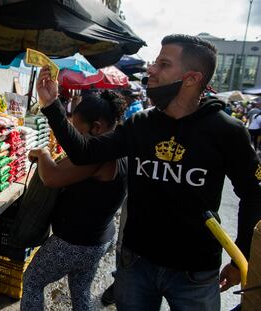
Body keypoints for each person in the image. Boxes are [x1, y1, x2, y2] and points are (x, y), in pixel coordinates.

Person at [36, 34, 261, 311]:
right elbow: (85, 152)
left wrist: (243, 255)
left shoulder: (227, 131)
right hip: (137, 264)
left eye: (163, 64)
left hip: (195, 272)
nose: (151, 70)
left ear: (191, 78)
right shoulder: (141, 124)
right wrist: (52, 106)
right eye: (155, 62)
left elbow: (253, 194)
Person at [20, 90, 128, 311]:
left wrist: (43, 154)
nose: (74, 141)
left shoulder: (97, 155)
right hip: (99, 240)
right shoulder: (122, 148)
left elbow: (51, 177)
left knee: (32, 281)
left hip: (73, 243)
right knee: (80, 291)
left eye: (76, 133)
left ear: (97, 127)